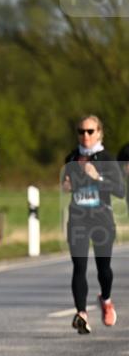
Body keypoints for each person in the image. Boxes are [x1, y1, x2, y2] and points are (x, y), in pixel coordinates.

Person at [62, 115, 125, 333]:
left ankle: (106, 299)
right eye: (81, 131)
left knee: (103, 269)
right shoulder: (71, 158)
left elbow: (120, 190)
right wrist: (67, 185)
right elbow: (66, 185)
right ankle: (81, 313)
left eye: (90, 131)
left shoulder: (107, 158)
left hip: (102, 220)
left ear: (99, 133)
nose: (85, 136)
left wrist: (97, 178)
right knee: (79, 267)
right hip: (78, 220)